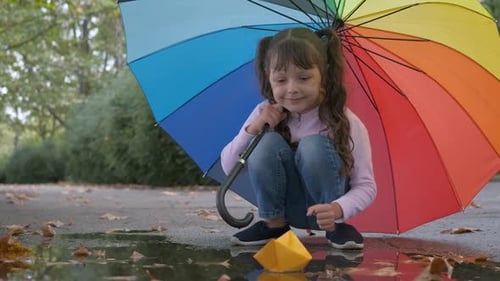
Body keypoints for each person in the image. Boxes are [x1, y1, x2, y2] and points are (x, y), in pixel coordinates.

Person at [220, 27, 376, 250]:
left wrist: (338, 209)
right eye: (281, 80)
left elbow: (366, 185)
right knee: (266, 144)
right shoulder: (264, 112)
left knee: (313, 146)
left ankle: (335, 228)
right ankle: (273, 224)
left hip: (326, 213)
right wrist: (253, 129)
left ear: (324, 74)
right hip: (286, 208)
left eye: (303, 78)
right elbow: (228, 166)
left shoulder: (344, 120)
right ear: (269, 77)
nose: (292, 89)